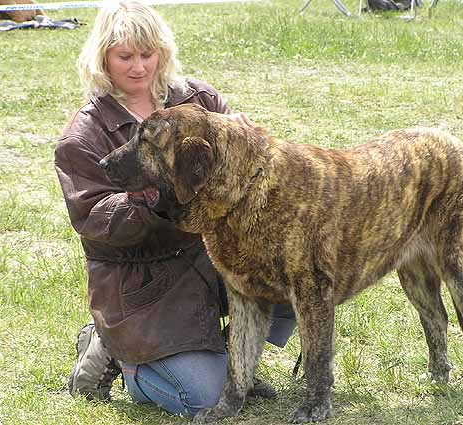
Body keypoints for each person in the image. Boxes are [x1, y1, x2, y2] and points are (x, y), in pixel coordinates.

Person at [54, 1, 296, 417]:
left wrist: (248, 142)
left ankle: (227, 356)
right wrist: (163, 191)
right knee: (202, 397)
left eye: (147, 54)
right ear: (102, 59)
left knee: (298, 278)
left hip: (213, 254)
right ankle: (115, 351)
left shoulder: (198, 99)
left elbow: (244, 165)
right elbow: (97, 220)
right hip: (144, 279)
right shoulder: (85, 134)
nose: (138, 67)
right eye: (124, 56)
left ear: (162, 52)